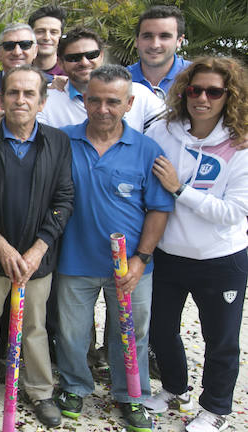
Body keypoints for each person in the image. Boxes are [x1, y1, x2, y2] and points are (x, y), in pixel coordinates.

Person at [52, 65, 173, 432]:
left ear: (129, 103)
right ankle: (74, 386)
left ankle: (130, 394)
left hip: (131, 267)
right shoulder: (61, 142)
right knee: (72, 333)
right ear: (84, 100)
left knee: (130, 333)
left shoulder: (147, 149)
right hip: (74, 260)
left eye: (113, 101)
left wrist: (142, 259)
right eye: (95, 100)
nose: (102, 108)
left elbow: (159, 209)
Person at [0, 65, 73, 428]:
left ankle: (40, 390)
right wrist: (2, 247)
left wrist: (38, 249)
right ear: (2, 98)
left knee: (36, 327)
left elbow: (64, 198)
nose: (20, 100)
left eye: (29, 94)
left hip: (37, 259)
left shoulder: (58, 142)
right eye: (13, 93)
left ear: (42, 102)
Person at [144, 57, 248, 432]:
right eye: (194, 89)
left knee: (220, 340)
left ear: (229, 96)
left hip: (219, 260)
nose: (202, 98)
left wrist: (180, 190)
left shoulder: (241, 144)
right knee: (160, 329)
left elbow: (233, 212)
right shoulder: (164, 130)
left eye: (214, 91)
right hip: (168, 254)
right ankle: (174, 388)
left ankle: (216, 408)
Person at [39, 28, 166, 133]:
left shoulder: (139, 94)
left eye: (91, 55)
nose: (84, 62)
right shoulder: (45, 102)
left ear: (102, 56)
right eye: (74, 58)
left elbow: (169, 129)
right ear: (60, 63)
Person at [128, 5, 191, 99]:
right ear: (136, 40)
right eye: (147, 36)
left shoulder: (195, 75)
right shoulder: (119, 79)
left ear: (179, 41)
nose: (155, 45)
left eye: (164, 36)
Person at [0, 23, 46, 92]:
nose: (17, 52)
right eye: (9, 46)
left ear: (35, 51)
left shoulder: (51, 86)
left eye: (25, 45)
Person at [28, 5, 67, 77]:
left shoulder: (70, 73)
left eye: (53, 32)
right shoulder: (18, 71)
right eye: (40, 31)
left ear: (61, 36)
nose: (47, 38)